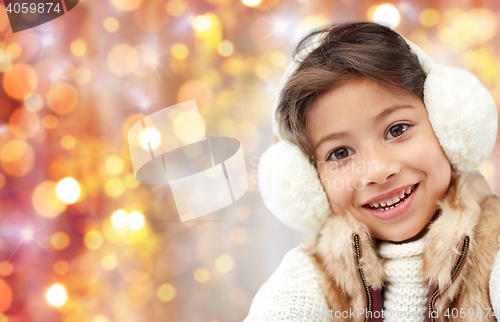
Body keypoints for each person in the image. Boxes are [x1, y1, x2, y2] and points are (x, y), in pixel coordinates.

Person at [244, 22, 500, 322]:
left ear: (445, 124)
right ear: (310, 180)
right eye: (340, 153)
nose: (377, 172)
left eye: (397, 129)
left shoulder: (493, 244)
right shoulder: (310, 276)